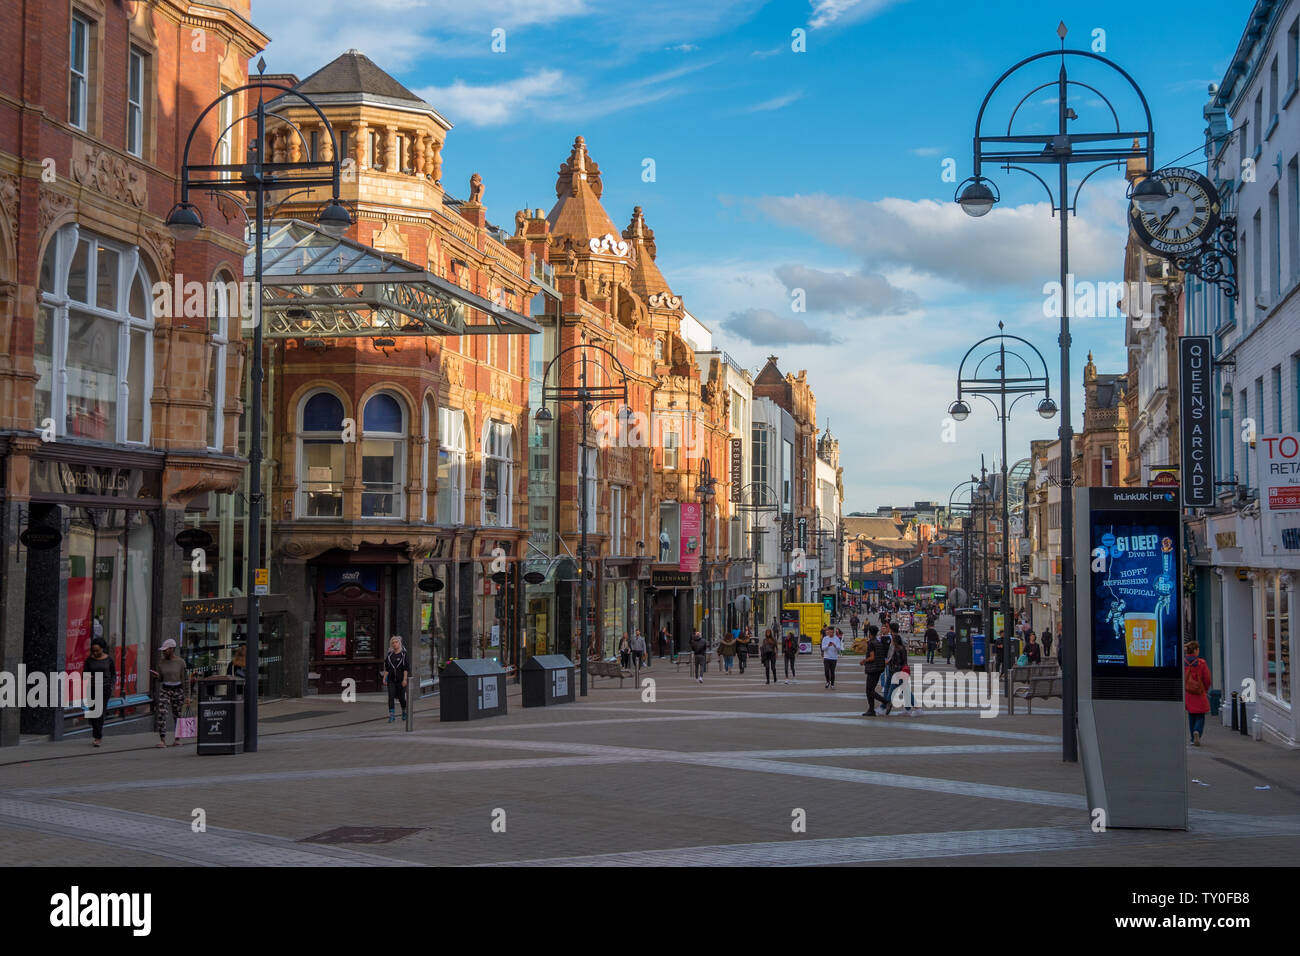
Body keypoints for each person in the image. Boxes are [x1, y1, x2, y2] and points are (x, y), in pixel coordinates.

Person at [154, 638, 188, 747]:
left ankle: (177, 739)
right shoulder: (161, 662)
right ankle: (162, 739)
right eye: (163, 650)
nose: (164, 652)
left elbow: (185, 679)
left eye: (166, 650)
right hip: (165, 688)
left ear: (172, 649)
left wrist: (187, 696)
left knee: (177, 714)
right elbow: (161, 678)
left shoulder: (180, 662)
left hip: (178, 689)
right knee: (161, 712)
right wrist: (157, 677)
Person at [83, 637, 116, 748]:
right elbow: (85, 674)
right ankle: (96, 734)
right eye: (93, 650)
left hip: (104, 688)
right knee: (93, 713)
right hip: (91, 688)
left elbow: (113, 674)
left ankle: (98, 737)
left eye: (97, 650)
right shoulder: (89, 660)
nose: (95, 652)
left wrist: (111, 686)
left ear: (102, 649)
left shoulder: (109, 660)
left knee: (100, 712)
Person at [1184, 641, 1212, 746]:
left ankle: (1192, 738)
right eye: (1198, 649)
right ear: (1195, 650)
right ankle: (1197, 731)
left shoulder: (1184, 663)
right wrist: (1205, 689)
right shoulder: (1201, 663)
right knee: (1200, 716)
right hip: (1199, 692)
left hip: (1188, 693)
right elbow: (1207, 679)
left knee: (1191, 715)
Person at [861, 625, 887, 716]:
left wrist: (864, 661)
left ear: (869, 633)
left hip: (873, 669)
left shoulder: (871, 643)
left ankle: (885, 702)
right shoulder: (878, 642)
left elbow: (872, 657)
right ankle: (871, 709)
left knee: (869, 690)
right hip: (879, 668)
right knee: (870, 690)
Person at [383, 636, 410, 723]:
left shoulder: (404, 654)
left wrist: (405, 679)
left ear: (399, 643)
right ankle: (392, 715)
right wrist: (384, 678)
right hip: (391, 679)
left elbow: (406, 668)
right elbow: (387, 669)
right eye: (393, 643)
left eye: (396, 642)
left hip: (400, 679)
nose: (395, 644)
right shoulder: (389, 655)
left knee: (401, 697)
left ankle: (404, 711)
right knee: (391, 696)